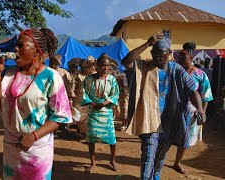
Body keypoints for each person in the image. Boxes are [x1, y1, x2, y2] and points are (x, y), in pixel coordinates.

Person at [0, 28, 72, 179]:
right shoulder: (9, 74)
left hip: (37, 148)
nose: (16, 49)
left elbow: (60, 116)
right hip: (11, 146)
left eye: (21, 46)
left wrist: (33, 136)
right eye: (16, 45)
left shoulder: (51, 77)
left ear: (36, 51)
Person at [122, 33, 205, 180]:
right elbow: (126, 62)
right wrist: (147, 44)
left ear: (169, 53)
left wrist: (199, 109)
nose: (158, 56)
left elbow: (192, 91)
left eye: (162, 53)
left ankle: (156, 177)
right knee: (148, 155)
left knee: (160, 156)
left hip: (170, 121)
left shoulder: (177, 70)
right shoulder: (144, 67)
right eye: (155, 53)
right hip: (149, 120)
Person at [172, 43, 213, 174]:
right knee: (167, 137)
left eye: (183, 57)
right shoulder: (176, 72)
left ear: (190, 57)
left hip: (192, 112)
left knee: (185, 139)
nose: (179, 60)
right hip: (173, 110)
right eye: (179, 57)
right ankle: (158, 159)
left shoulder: (200, 75)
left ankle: (177, 162)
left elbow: (206, 95)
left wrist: (203, 112)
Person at [81, 53, 119, 173]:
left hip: (106, 112)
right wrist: (92, 104)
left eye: (107, 66)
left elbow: (115, 94)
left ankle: (112, 160)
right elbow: (84, 94)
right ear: (97, 66)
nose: (105, 68)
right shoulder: (88, 79)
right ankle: (93, 163)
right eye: (103, 65)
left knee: (111, 139)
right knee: (91, 139)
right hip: (93, 112)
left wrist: (103, 104)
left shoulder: (112, 79)